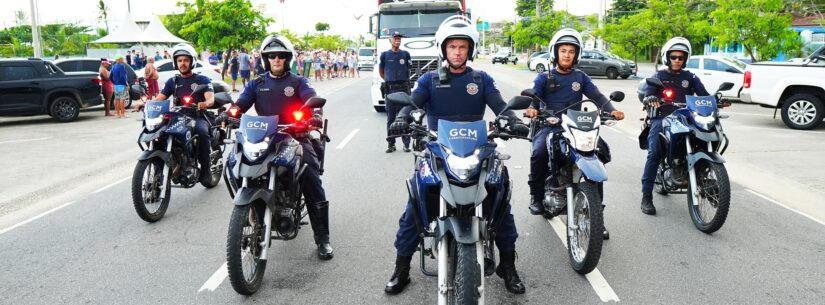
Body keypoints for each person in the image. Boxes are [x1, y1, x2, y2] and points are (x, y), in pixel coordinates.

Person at [384, 16, 526, 295]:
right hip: (437, 150)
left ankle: (508, 266)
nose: (458, 52)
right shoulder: (429, 79)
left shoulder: (481, 79)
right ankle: (401, 268)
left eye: (463, 47)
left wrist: (513, 121)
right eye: (453, 47)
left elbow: (500, 106)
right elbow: (412, 104)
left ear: (470, 50)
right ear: (443, 49)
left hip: (478, 151)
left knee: (500, 200)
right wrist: (403, 118)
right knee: (415, 204)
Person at [231, 35, 334, 260]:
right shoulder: (257, 83)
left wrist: (314, 116)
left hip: (295, 137)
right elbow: (240, 104)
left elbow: (312, 98)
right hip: (264, 139)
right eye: (271, 56)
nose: (276, 59)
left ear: (287, 59)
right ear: (265, 59)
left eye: (280, 56)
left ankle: (323, 238)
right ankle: (251, 211)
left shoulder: (298, 82)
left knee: (310, 175)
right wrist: (229, 113)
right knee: (236, 161)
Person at [523, 28, 625, 239]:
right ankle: (537, 196)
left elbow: (596, 96)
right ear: (555, 52)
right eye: (563, 50)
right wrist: (533, 108)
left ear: (576, 54)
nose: (567, 54)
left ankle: (597, 218)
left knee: (597, 156)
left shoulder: (581, 76)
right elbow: (534, 95)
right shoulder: (544, 77)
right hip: (549, 124)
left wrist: (611, 110)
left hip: (577, 125)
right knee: (539, 152)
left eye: (571, 51)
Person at [639, 37, 709, 215]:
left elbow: (703, 95)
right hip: (661, 117)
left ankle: (702, 175)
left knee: (704, 137)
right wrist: (650, 98)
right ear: (667, 57)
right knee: (654, 153)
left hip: (685, 118)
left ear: (685, 59)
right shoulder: (659, 76)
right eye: (673, 57)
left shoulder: (691, 77)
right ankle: (646, 196)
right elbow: (649, 92)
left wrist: (715, 100)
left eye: (681, 57)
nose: (677, 60)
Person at [137, 43, 216, 182]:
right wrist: (145, 104)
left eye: (186, 60)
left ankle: (205, 170)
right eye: (179, 61)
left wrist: (206, 103)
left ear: (192, 61)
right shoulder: (172, 81)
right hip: (177, 117)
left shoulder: (202, 80)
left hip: (197, 116)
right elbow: (159, 99)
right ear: (175, 62)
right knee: (159, 135)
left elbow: (210, 98)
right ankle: (159, 174)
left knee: (202, 133)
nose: (182, 63)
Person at [379, 31, 412, 153]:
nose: (397, 40)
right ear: (390, 40)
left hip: (403, 90)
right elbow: (381, 72)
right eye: (395, 38)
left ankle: (406, 144)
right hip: (391, 90)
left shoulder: (405, 54)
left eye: (399, 38)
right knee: (391, 118)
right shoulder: (384, 55)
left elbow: (408, 70)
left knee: (404, 117)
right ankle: (391, 144)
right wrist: (390, 81)